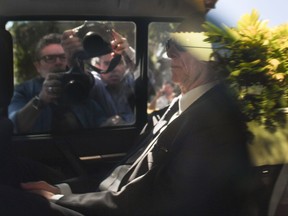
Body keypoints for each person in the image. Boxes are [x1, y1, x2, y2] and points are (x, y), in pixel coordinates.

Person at [10, 28, 253, 215]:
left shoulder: (213, 124)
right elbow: (119, 176)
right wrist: (62, 191)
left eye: (181, 46)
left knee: (13, 202)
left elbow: (153, 201)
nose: (169, 53)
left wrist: (57, 199)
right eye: (169, 45)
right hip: (113, 198)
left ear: (215, 57)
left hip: (122, 209)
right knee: (16, 167)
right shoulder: (177, 108)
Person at [8, 33, 107, 133]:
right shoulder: (23, 91)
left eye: (63, 57)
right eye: (50, 58)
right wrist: (41, 100)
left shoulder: (80, 88)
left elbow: (102, 124)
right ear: (38, 66)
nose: (58, 62)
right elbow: (13, 127)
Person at [62, 28, 136, 126]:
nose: (114, 69)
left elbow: (145, 77)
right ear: (98, 66)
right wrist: (72, 59)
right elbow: (85, 81)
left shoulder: (129, 81)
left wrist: (128, 51)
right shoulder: (96, 83)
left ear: (125, 65)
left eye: (118, 62)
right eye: (107, 63)